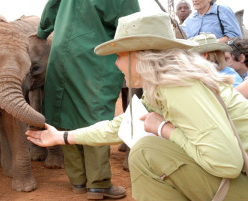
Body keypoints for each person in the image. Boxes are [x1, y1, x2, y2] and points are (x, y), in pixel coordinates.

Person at [27, 12, 248, 201]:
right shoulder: (163, 87)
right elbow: (120, 127)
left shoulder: (178, 87)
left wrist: (165, 130)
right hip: (234, 178)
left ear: (141, 55)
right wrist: (63, 137)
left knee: (145, 152)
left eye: (120, 55)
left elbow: (226, 164)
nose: (116, 64)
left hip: (238, 181)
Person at [36, 0, 140, 200]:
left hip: (62, 55)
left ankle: (78, 181)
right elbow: (132, 24)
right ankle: (98, 185)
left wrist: (42, 32)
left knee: (67, 114)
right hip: (93, 58)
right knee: (96, 116)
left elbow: (51, 8)